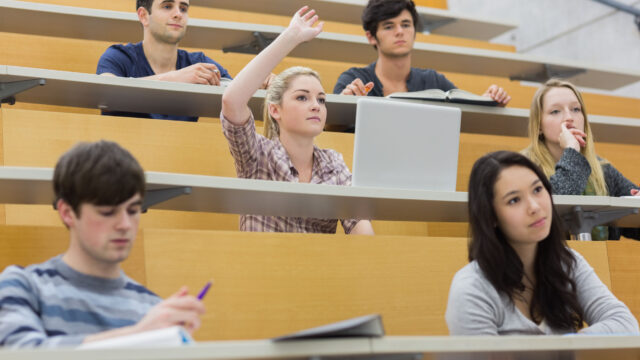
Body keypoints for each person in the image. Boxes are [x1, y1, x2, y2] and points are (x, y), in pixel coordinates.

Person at [0, 141, 205, 348]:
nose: (125, 225)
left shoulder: (152, 309)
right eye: (108, 212)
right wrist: (138, 335)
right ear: (67, 213)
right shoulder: (23, 286)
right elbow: (20, 352)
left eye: (133, 211)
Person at [445, 151, 639, 335]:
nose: (535, 207)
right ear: (491, 216)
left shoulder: (567, 262)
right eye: (514, 200)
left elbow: (624, 323)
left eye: (538, 189)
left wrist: (566, 346)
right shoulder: (471, 288)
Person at [220, 7, 374, 235]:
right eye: (302, 97)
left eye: (321, 100)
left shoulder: (333, 163)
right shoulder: (258, 154)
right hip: (261, 267)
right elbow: (232, 101)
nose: (315, 105)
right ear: (275, 110)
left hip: (318, 268)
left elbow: (362, 233)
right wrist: (291, 37)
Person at [522, 78, 640, 240]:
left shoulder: (602, 169)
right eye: (555, 111)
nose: (569, 117)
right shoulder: (523, 168)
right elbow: (551, 211)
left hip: (601, 260)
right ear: (539, 125)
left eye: (576, 109)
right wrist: (571, 151)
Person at [333, 0, 510, 105]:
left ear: (414, 31)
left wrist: (489, 100)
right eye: (389, 26)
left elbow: (466, 108)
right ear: (371, 37)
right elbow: (330, 127)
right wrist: (345, 102)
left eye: (406, 24)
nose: (400, 31)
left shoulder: (433, 80)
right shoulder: (353, 79)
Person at [96, 0, 232, 121]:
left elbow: (236, 94)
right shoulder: (118, 56)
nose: (178, 14)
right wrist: (175, 78)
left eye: (183, 8)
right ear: (143, 16)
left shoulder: (197, 63)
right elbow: (106, 96)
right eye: (167, 6)